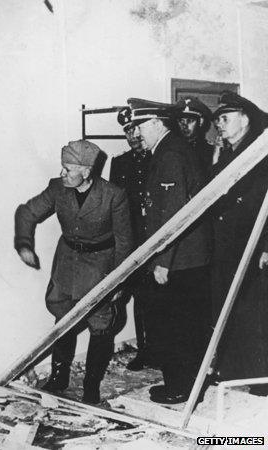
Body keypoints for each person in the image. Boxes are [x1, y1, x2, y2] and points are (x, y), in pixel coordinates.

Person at [14, 139, 132, 404]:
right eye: (62, 168)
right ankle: (58, 378)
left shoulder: (114, 195)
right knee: (63, 319)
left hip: (101, 265)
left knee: (100, 326)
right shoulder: (57, 188)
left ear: (87, 171)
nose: (62, 174)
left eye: (68, 169)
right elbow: (27, 212)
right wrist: (24, 244)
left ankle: (91, 387)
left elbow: (125, 242)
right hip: (67, 262)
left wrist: (118, 283)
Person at [129, 98, 211, 404]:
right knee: (182, 324)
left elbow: (174, 215)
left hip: (179, 260)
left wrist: (163, 262)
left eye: (139, 127)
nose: (137, 134)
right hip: (184, 257)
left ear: (154, 123)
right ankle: (185, 385)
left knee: (176, 326)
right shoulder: (169, 150)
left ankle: (181, 388)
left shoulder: (171, 154)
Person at [210, 91, 268, 394]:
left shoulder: (261, 152)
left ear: (244, 120)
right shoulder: (231, 152)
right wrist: (217, 157)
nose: (219, 124)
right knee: (228, 307)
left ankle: (260, 378)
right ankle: (233, 370)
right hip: (228, 244)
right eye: (218, 119)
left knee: (255, 311)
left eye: (225, 118)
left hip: (255, 246)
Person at [109, 106, 154, 371]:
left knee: (161, 297)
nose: (133, 136)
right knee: (138, 296)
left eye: (136, 129)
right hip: (132, 240)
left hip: (156, 238)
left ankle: (163, 349)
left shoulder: (157, 158)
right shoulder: (120, 163)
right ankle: (146, 350)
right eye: (128, 131)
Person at [174, 97, 213, 172]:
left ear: (201, 122)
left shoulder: (209, 151)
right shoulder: (170, 149)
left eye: (190, 120)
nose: (185, 125)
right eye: (181, 121)